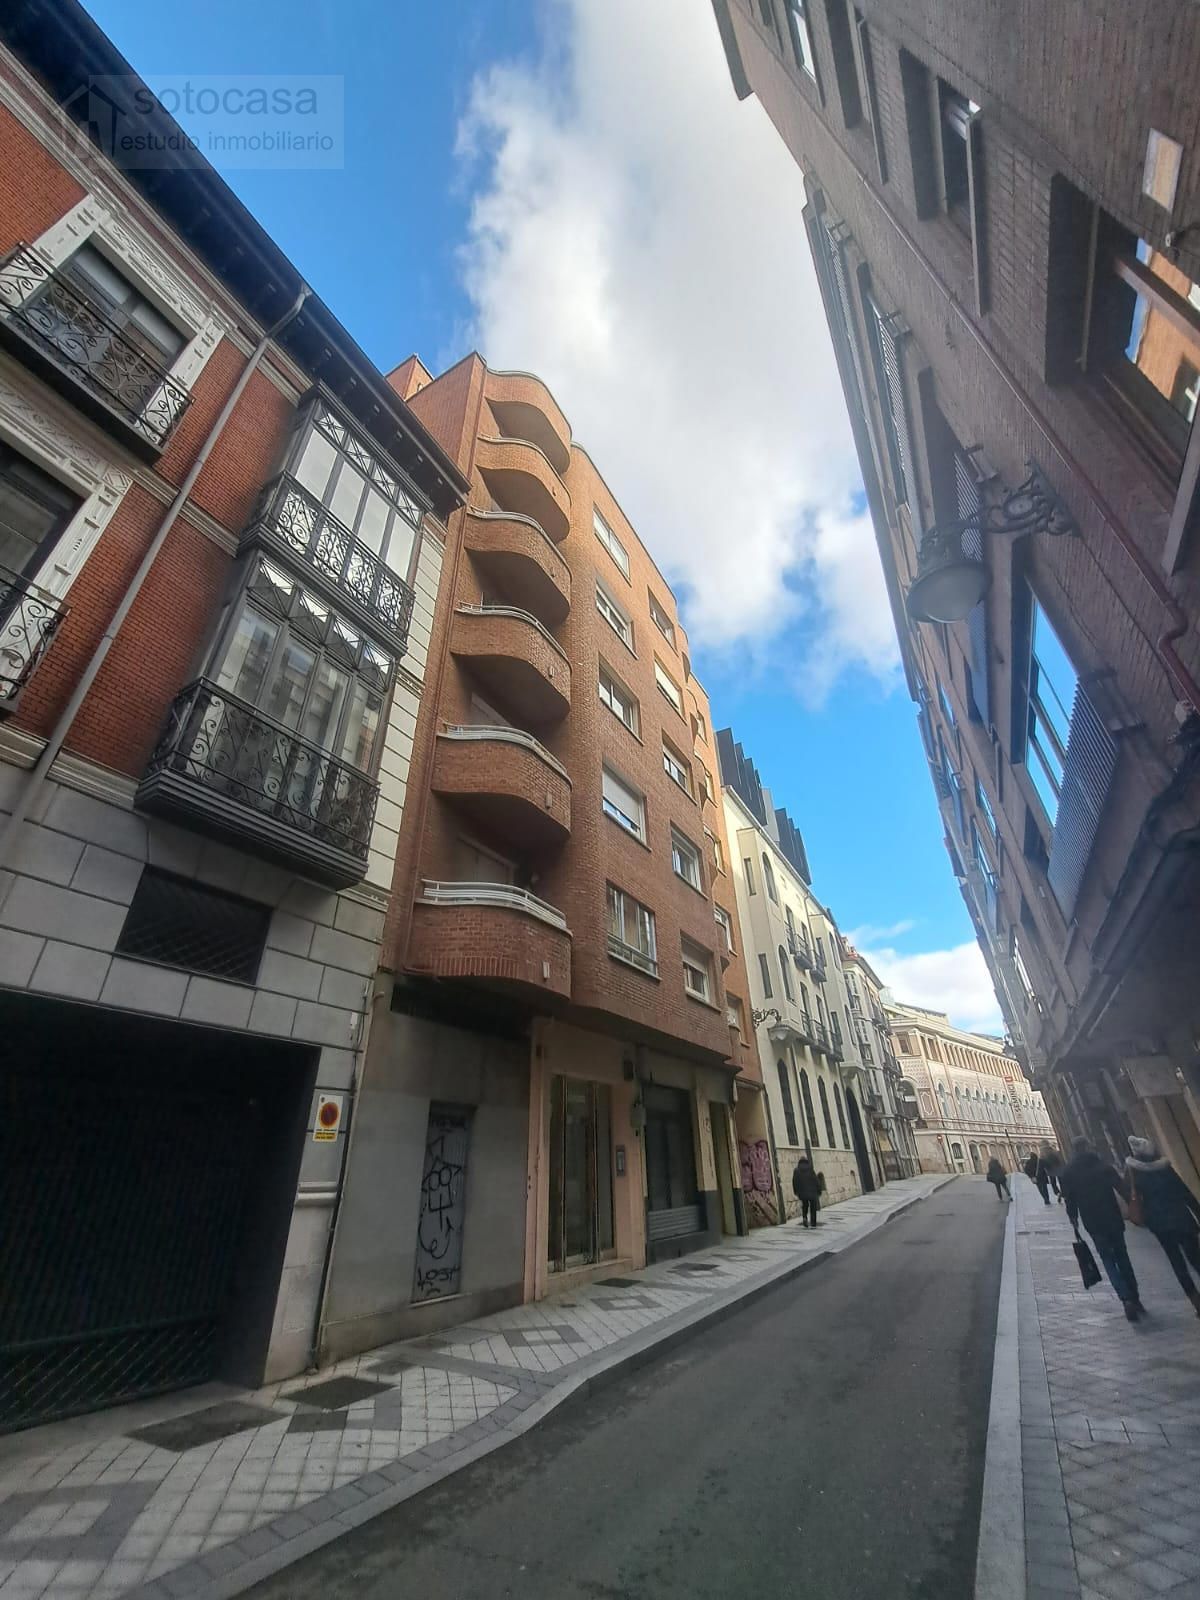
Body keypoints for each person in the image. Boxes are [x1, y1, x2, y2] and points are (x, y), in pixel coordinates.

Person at [1060, 1135, 1144, 1321]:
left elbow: (1069, 1199)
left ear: (1074, 1150)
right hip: (1112, 1218)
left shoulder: (1069, 1172)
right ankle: (1135, 1297)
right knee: (1123, 1257)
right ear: (1088, 1147)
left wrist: (1073, 1218)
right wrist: (1134, 1205)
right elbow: (1121, 1187)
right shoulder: (1102, 1165)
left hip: (1093, 1223)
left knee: (1108, 1260)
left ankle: (1125, 1298)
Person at [1125, 1135, 1200, 1317]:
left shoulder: (1134, 1173)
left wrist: (1146, 1219)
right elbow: (1184, 1192)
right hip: (1181, 1219)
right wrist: (1197, 1212)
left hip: (1160, 1224)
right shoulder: (1164, 1167)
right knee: (1196, 1258)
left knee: (1177, 1262)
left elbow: (1132, 1197)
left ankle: (1196, 1302)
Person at [792, 1155, 822, 1228]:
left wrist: (796, 1191)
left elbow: (794, 1182)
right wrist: (819, 1190)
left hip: (802, 1192)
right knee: (813, 1207)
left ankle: (805, 1217)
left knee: (805, 1205)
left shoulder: (796, 1170)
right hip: (812, 1192)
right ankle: (813, 1223)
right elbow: (816, 1180)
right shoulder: (810, 1169)